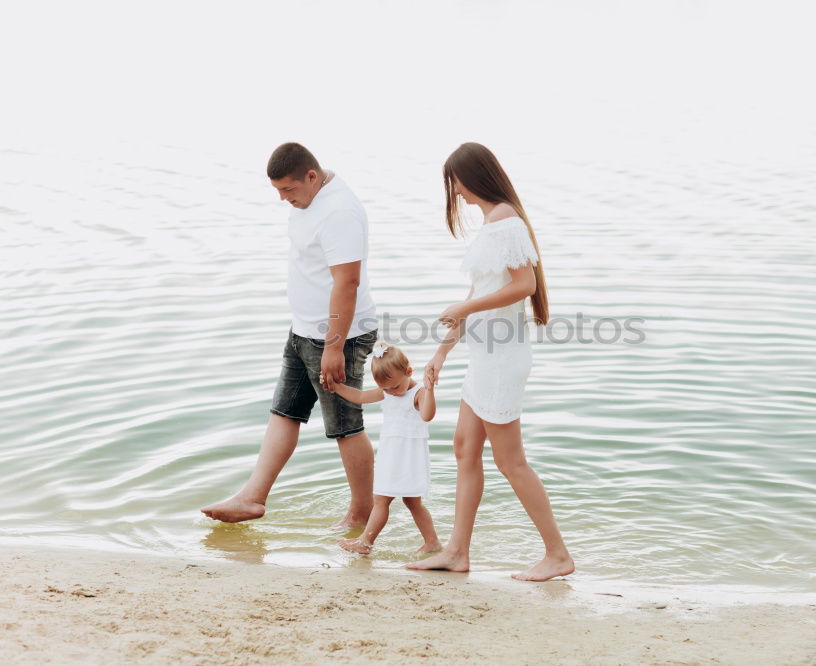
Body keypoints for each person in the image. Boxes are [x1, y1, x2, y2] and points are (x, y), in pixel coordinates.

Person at [407, 142, 575, 581]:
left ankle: (557, 554)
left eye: (456, 183)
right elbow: (478, 293)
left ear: (473, 176)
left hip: (501, 360)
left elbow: (523, 284)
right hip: (483, 357)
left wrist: (463, 311)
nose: (456, 193)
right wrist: (442, 351)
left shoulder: (505, 222)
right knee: (464, 449)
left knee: (510, 460)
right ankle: (457, 553)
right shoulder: (493, 224)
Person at [201, 142, 378, 528]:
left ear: (311, 177)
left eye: (288, 190)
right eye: (278, 191)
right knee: (284, 412)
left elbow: (347, 282)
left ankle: (362, 514)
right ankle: (252, 498)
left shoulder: (339, 211)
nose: (283, 199)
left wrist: (333, 347)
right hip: (304, 330)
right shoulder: (311, 201)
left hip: (338, 337)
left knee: (345, 426)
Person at [326, 343, 441, 555]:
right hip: (391, 454)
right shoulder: (388, 391)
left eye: (395, 387)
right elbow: (360, 397)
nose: (391, 393)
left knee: (400, 501)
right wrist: (337, 388)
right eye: (385, 389)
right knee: (394, 500)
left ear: (408, 372)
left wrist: (430, 389)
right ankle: (431, 541)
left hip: (407, 457)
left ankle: (366, 543)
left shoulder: (419, 393)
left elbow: (427, 415)